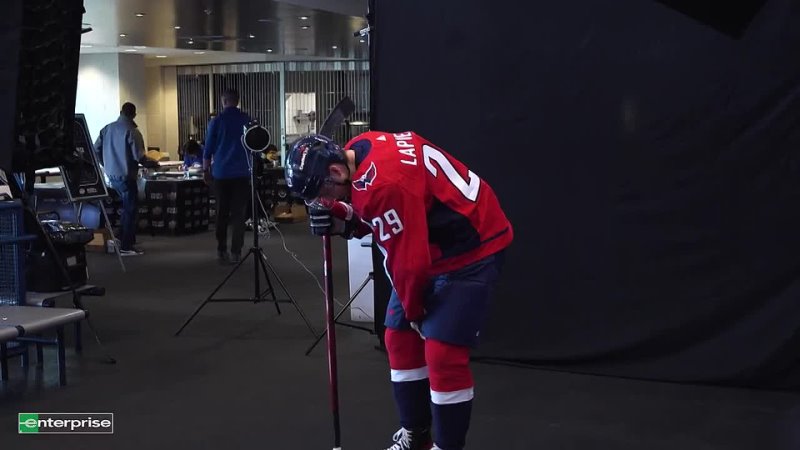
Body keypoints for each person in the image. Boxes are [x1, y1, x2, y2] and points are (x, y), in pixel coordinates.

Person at [285, 131, 513, 450]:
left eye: (322, 191)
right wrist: (344, 218)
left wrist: (415, 311)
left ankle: (447, 446)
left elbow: (409, 264)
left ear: (336, 172)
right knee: (398, 338)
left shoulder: (382, 185)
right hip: (432, 240)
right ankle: (417, 434)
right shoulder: (357, 148)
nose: (324, 200)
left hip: (471, 247)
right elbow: (381, 216)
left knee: (442, 353)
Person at [94, 102, 152, 256]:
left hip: (111, 176)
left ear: (121, 112)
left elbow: (95, 150)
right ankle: (126, 246)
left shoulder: (107, 128)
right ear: (134, 114)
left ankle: (124, 239)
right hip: (126, 176)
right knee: (130, 211)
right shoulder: (132, 131)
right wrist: (153, 164)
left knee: (127, 209)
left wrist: (105, 164)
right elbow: (139, 156)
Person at [203, 89, 251, 264]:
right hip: (242, 173)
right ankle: (236, 251)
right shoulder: (247, 120)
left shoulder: (216, 121)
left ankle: (221, 249)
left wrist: (205, 170)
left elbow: (208, 148)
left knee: (221, 212)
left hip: (221, 173)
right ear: (237, 101)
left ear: (223, 101)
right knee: (239, 214)